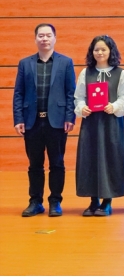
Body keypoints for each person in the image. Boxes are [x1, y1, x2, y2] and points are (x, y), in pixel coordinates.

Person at [12, 23, 76, 217]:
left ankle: (55, 201)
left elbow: (71, 92)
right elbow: (19, 93)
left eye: (48, 35)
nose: (45, 39)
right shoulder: (25, 63)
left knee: (57, 163)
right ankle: (35, 202)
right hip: (32, 122)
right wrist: (18, 118)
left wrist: (70, 116)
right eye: (41, 36)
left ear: (55, 38)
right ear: (35, 39)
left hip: (56, 122)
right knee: (35, 164)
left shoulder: (66, 62)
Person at [74, 35, 124, 216]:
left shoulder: (120, 73)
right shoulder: (86, 73)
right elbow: (79, 97)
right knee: (90, 159)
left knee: (110, 159)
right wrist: (82, 108)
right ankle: (93, 201)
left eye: (103, 49)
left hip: (111, 123)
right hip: (91, 124)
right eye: (96, 49)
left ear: (110, 51)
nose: (100, 52)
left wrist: (114, 106)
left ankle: (107, 201)